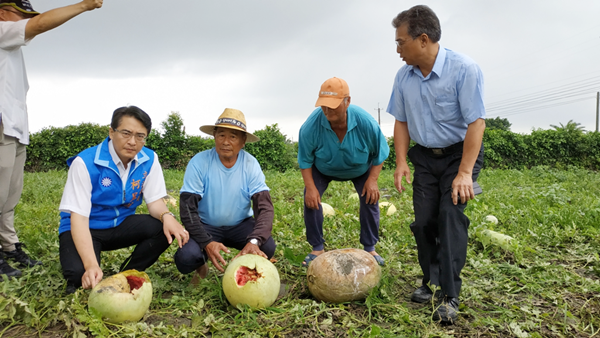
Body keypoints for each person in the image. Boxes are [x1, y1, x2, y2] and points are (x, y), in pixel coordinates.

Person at [387, 5, 486, 324]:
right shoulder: (404, 77)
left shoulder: (464, 69)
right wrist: (401, 161)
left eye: (401, 41)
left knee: (449, 216)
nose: (398, 48)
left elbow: (476, 123)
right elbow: (401, 122)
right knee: (423, 222)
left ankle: (449, 293)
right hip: (425, 158)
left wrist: (465, 173)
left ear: (423, 40)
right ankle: (429, 282)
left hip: (460, 155)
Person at [0, 0, 103, 278]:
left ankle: (8, 247)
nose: (24, 21)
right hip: (2, 128)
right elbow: (40, 24)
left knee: (9, 196)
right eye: (20, 14)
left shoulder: (10, 47)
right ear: (2, 13)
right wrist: (84, 6)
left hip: (14, 128)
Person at [58, 106, 189, 293]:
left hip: (120, 224)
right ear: (111, 132)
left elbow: (154, 201)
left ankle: (127, 274)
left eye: (140, 136)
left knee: (163, 228)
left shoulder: (149, 159)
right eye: (126, 133)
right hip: (85, 227)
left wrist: (168, 216)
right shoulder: (85, 163)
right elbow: (78, 217)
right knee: (79, 276)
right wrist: (90, 266)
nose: (132, 142)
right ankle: (87, 266)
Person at [174, 108, 276, 282]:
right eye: (221, 135)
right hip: (206, 225)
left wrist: (253, 241)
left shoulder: (250, 164)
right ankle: (201, 265)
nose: (226, 142)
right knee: (186, 257)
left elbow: (264, 207)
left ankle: (247, 271)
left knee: (266, 246)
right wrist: (206, 242)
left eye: (233, 137)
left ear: (243, 141)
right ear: (214, 136)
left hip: (240, 225)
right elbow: (187, 208)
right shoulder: (199, 162)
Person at [298, 77, 390, 267]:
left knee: (370, 198)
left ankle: (370, 248)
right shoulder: (310, 126)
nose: (327, 110)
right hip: (323, 169)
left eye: (333, 105)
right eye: (323, 105)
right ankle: (317, 247)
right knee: (311, 198)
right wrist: (311, 187)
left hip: (360, 169)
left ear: (347, 101)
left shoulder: (366, 123)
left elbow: (380, 153)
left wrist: (372, 180)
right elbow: (305, 160)